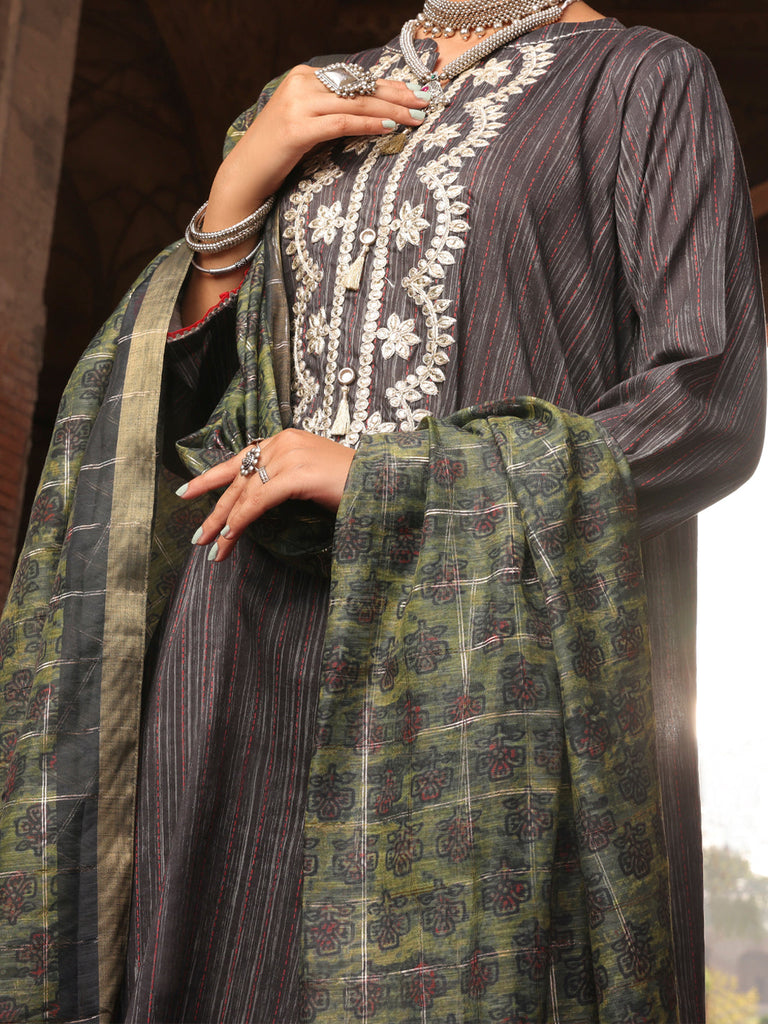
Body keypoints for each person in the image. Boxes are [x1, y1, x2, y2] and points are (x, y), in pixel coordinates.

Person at [0, 0, 764, 1021]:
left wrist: (387, 475)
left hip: (477, 669)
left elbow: (706, 405)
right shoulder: (308, 92)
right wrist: (232, 201)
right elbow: (189, 417)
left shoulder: (643, 81)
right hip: (243, 645)